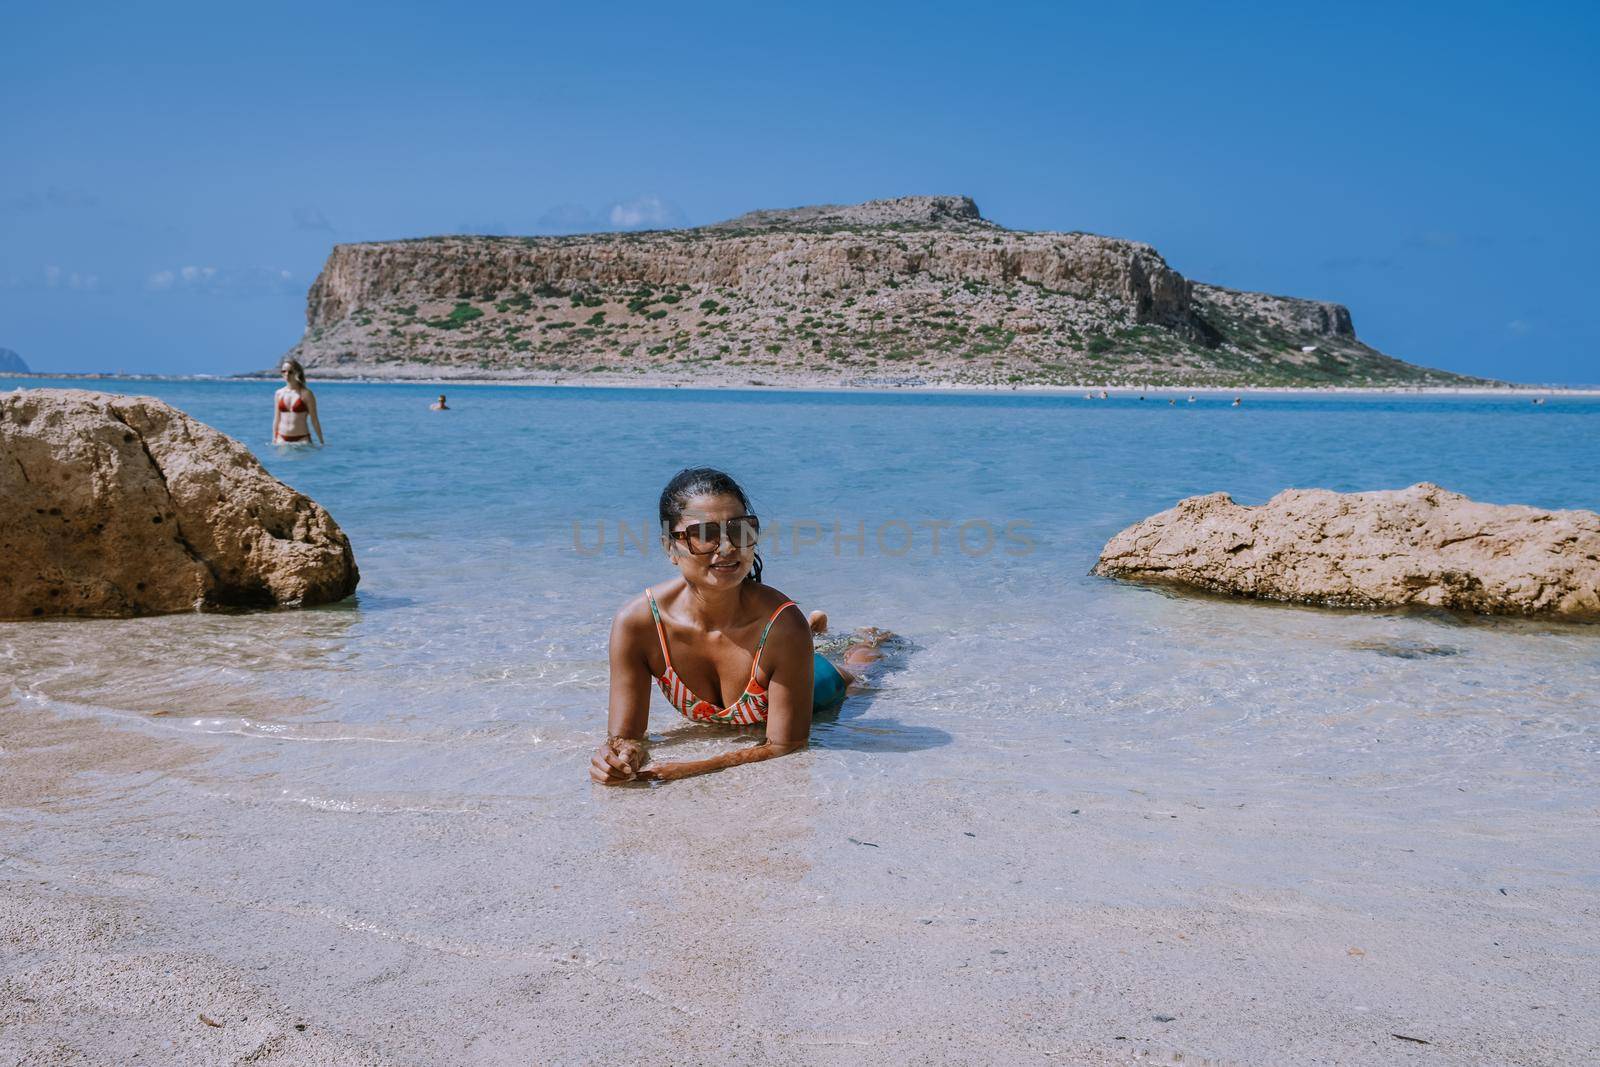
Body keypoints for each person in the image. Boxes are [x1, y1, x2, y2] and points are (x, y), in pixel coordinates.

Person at [591, 467, 882, 785]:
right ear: (670, 547)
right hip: (774, 644)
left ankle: (863, 640)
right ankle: (815, 628)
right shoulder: (639, 624)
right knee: (799, 636)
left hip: (818, 685)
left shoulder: (783, 627)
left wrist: (692, 768)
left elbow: (787, 745)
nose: (727, 547)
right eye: (704, 534)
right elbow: (625, 738)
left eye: (740, 530)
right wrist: (617, 760)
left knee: (861, 667)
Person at [271, 359, 323, 445]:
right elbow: (277, 418)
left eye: (290, 372)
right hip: (281, 438)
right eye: (283, 371)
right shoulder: (279, 393)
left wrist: (321, 441)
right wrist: (274, 438)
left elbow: (314, 420)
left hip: (302, 438)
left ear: (297, 373)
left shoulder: (306, 394)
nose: (286, 374)